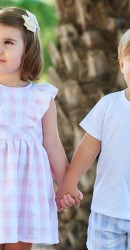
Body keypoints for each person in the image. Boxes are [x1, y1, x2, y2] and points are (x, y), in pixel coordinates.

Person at [0, 7, 74, 250]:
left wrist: (66, 184)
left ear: (27, 48)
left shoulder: (42, 96)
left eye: (8, 42)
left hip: (27, 191)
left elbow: (52, 144)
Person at [56, 28, 130, 249]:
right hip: (108, 211)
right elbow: (89, 147)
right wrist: (68, 183)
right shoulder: (109, 105)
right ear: (121, 63)